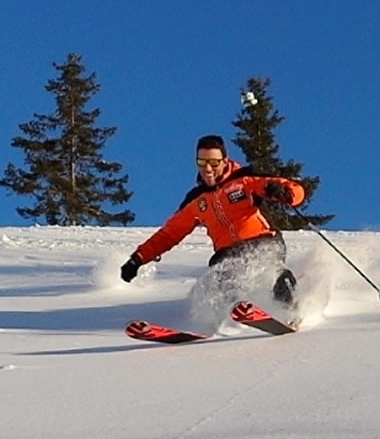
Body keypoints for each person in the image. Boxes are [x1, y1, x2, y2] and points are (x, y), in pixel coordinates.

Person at [120, 135, 305, 325]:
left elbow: (293, 188)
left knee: (271, 272)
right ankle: (223, 323)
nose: (208, 168)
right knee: (215, 284)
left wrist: (286, 192)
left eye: (214, 163)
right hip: (227, 254)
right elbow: (170, 233)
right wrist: (138, 259)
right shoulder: (196, 200)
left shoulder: (245, 180)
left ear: (225, 161)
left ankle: (290, 312)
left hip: (262, 241)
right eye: (202, 162)